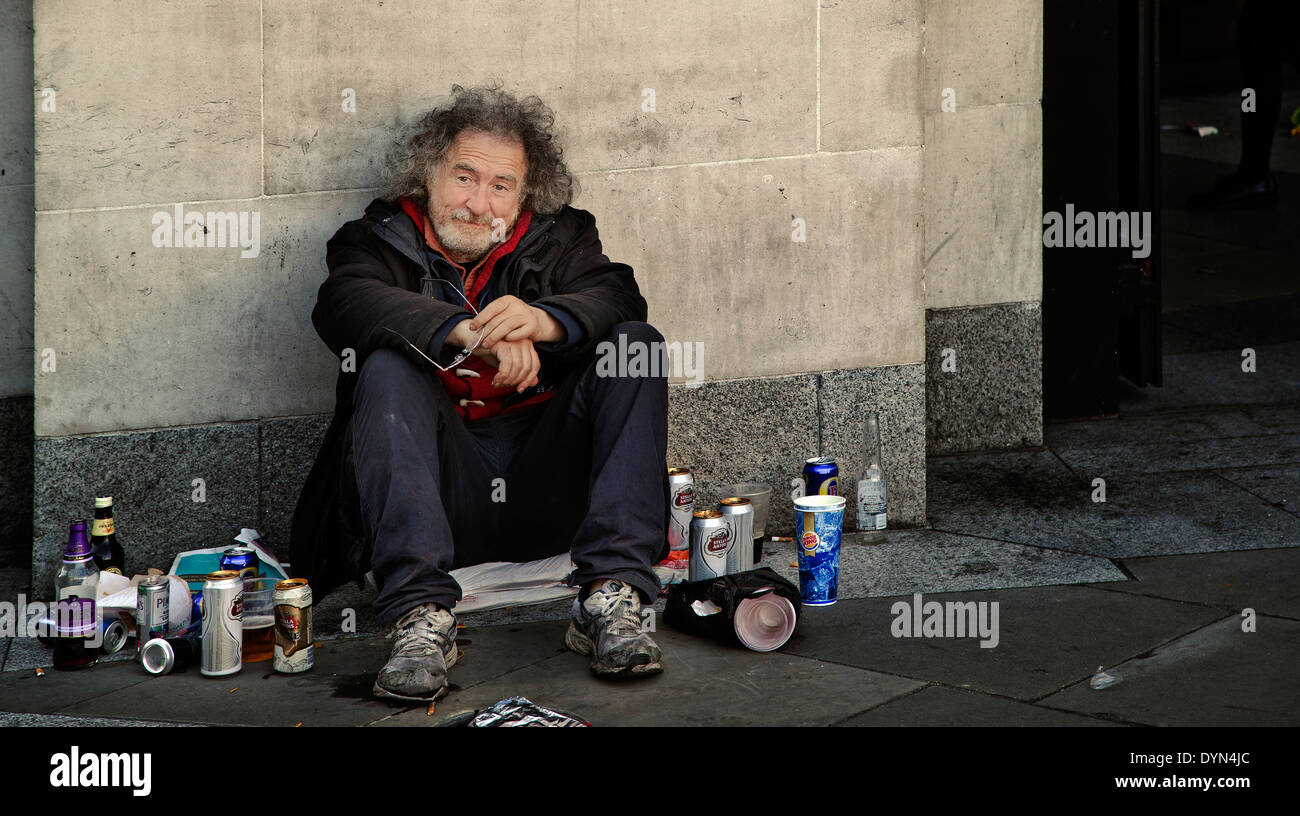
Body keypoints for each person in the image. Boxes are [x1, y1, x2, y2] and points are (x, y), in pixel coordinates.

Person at [289, 84, 670, 702]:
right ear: (428, 175)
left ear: (523, 198)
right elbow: (344, 303)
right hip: (441, 496)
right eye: (464, 177)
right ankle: (419, 617)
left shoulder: (562, 237)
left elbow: (619, 297)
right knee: (384, 365)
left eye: (501, 186)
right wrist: (467, 332)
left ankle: (611, 595)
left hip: (546, 489)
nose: (478, 203)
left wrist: (543, 322)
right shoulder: (374, 239)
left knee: (637, 344)